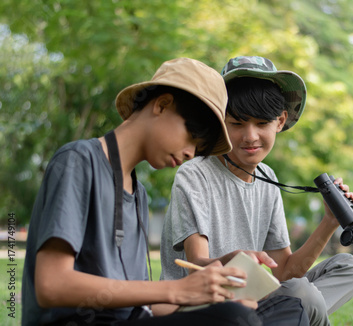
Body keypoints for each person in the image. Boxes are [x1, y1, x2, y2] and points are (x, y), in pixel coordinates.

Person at [21, 58, 267, 326]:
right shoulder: (79, 161)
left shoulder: (139, 196)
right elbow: (52, 285)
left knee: (247, 313)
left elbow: (143, 303)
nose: (190, 154)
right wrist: (177, 290)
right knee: (235, 319)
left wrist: (211, 291)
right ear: (161, 105)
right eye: (192, 136)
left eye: (198, 148)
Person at [160, 56, 353, 326]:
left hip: (255, 300)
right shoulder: (195, 174)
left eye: (262, 123)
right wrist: (236, 260)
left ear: (279, 122)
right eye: (236, 124)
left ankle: (286, 315)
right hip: (202, 307)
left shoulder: (267, 177)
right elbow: (197, 263)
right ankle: (288, 315)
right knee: (302, 295)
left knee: (347, 269)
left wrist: (329, 222)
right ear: (220, 121)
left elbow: (286, 272)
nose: (250, 136)